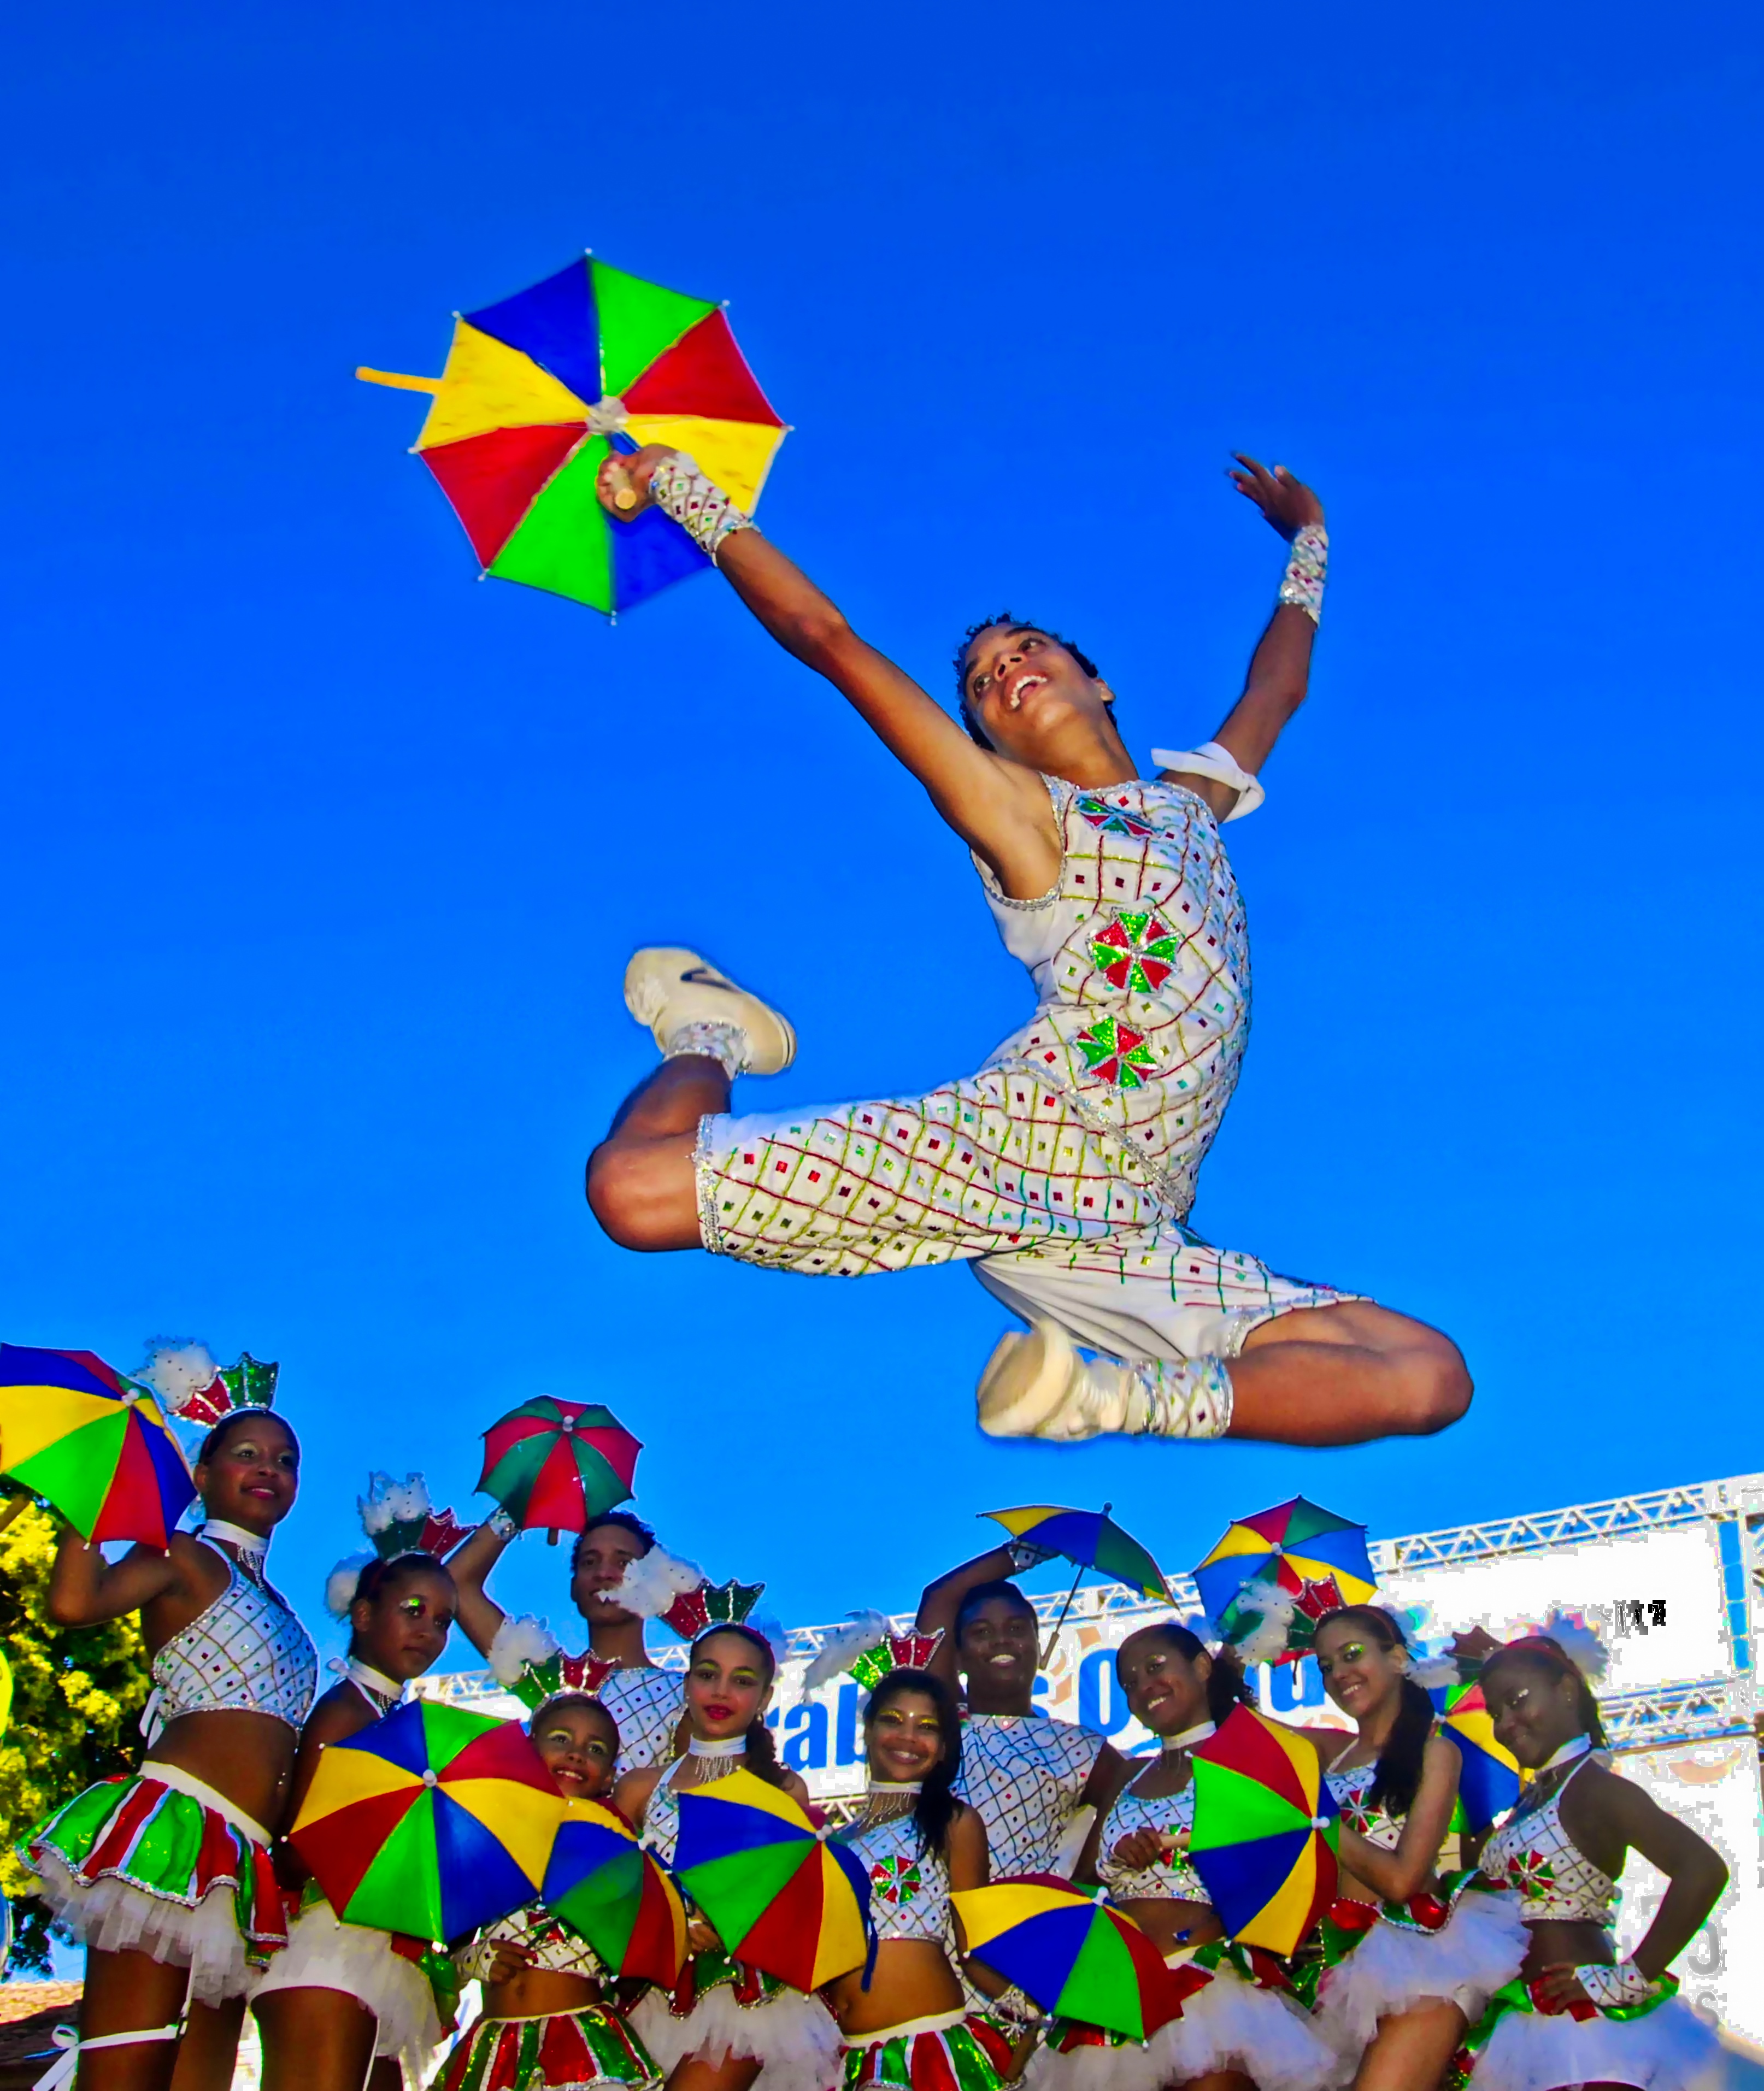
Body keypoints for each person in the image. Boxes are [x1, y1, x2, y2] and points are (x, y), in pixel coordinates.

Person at [581, 443, 1471, 1451]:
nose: (1005, 671)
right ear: (987, 743)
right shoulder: (1024, 820)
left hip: (1132, 1212)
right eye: (980, 682)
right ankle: (710, 1029)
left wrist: (1308, 536)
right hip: (1017, 1142)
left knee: (1426, 1373)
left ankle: (1112, 1398)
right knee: (630, 1191)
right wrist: (682, 489)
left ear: (1100, 683)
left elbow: (1278, 688)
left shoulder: (1190, 802)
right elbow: (824, 637)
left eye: (1024, 650)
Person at [20, 1406, 315, 2091]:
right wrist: (92, 1499)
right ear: (203, 1473)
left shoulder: (282, 1605)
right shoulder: (183, 1554)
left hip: (244, 1859)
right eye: (248, 1452)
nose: (269, 1467)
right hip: (174, 1830)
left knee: (200, 2074)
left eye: (286, 1458)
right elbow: (72, 1602)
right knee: (130, 2059)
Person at [1042, 1622, 1338, 2091]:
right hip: (1123, 1993)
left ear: (1202, 1667)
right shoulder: (1126, 1774)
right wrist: (1114, 1861)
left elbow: (1298, 1860)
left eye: (1156, 1667)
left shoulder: (1257, 1761)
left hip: (1213, 1994)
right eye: (1130, 1681)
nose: (1143, 1686)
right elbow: (1084, 1887)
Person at [251, 1514, 461, 2091]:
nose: (429, 1631)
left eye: (443, 1621)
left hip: (372, 1953)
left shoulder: (395, 1724)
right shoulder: (345, 1712)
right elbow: (294, 1848)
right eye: (413, 1610)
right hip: (325, 1949)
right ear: (364, 1615)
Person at [1467, 1634, 1726, 2091]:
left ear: (1568, 1688)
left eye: (1517, 1700)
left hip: (1586, 2035)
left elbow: (1702, 1869)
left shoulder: (1595, 1787)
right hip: (1522, 2027)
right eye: (1495, 1713)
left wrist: (1627, 1978)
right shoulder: (1528, 1802)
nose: (1506, 1723)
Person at [1306, 1609, 1527, 2091]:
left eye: (1352, 1654)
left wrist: (1321, 1824)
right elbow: (1236, 1740)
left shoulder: (1435, 1752)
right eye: (1326, 1665)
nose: (1339, 1673)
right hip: (1343, 1968)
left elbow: (1403, 1880)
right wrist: (1230, 1661)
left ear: (1398, 1658)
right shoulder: (1330, 1755)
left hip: (1423, 1963)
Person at [616, 1623, 842, 2091]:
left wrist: (728, 1921)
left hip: (747, 2000)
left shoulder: (782, 1789)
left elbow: (793, 1902)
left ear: (765, 1696)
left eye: (742, 1680)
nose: (721, 1691)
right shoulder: (640, 1787)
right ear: (686, 1684)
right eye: (708, 1674)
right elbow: (612, 1889)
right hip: (653, 1994)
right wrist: (674, 1921)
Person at [439, 1694, 663, 2091]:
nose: (576, 1754)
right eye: (561, 1739)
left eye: (595, 1749)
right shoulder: (486, 1837)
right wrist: (474, 1959)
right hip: (492, 2051)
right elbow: (447, 1943)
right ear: (529, 1747)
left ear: (611, 1775)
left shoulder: (618, 1851)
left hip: (579, 2043)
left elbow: (634, 1955)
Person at [827, 1668, 1018, 2091]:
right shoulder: (832, 1840)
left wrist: (1029, 2006)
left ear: (945, 1746)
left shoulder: (954, 1822)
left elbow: (975, 1945)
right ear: (868, 1727)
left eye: (926, 1726)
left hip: (925, 2051)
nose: (908, 1737)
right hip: (838, 2058)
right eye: (893, 1719)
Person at [916, 1547, 1127, 1880]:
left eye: (1016, 1629)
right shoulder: (941, 1722)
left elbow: (1134, 1794)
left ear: (1039, 1646)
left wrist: (1084, 1882)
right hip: (934, 1921)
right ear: (958, 1655)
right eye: (981, 1632)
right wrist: (1032, 1548)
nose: (1001, 1641)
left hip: (1026, 1923)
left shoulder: (1078, 1747)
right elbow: (939, 1597)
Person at [449, 1508, 684, 1769]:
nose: (604, 1573)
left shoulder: (690, 1693)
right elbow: (453, 1586)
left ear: (653, 1583)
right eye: (590, 1562)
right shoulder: (550, 1682)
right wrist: (525, 1505)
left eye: (624, 1563)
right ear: (574, 1587)